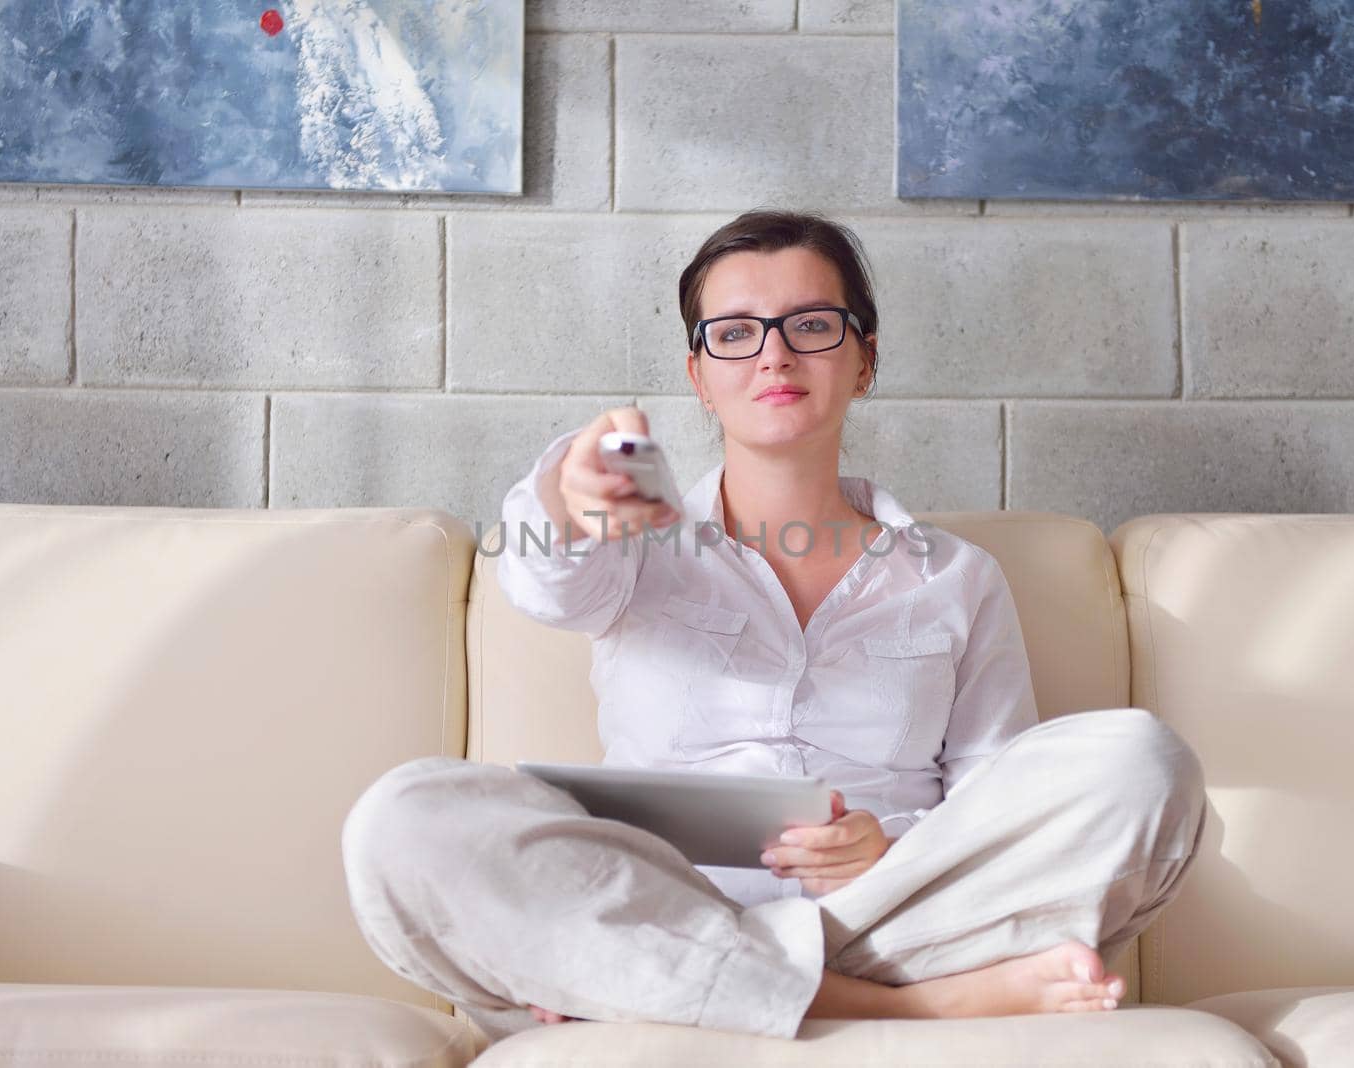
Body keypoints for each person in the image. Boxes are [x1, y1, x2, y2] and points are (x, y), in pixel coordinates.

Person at [340, 209, 1207, 1043]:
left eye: (812, 325)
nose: (775, 354)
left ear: (864, 360)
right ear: (700, 377)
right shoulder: (639, 539)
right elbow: (548, 582)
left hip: (891, 918)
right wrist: (577, 481)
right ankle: (908, 1011)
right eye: (736, 333)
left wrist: (888, 848)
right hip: (655, 899)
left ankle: (653, 986)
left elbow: (995, 795)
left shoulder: (957, 576)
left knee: (1140, 761)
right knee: (403, 817)